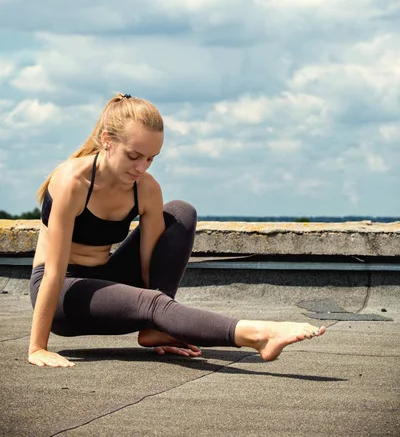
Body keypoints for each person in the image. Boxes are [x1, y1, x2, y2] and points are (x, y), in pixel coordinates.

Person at [29, 93, 326, 368]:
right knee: (151, 303)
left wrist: (159, 313)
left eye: (150, 158)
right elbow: (54, 272)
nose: (141, 167)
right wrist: (37, 348)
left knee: (180, 211)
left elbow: (152, 266)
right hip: (62, 297)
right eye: (134, 156)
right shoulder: (72, 182)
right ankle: (256, 334)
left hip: (105, 282)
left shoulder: (145, 188)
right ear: (107, 140)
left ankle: (155, 329)